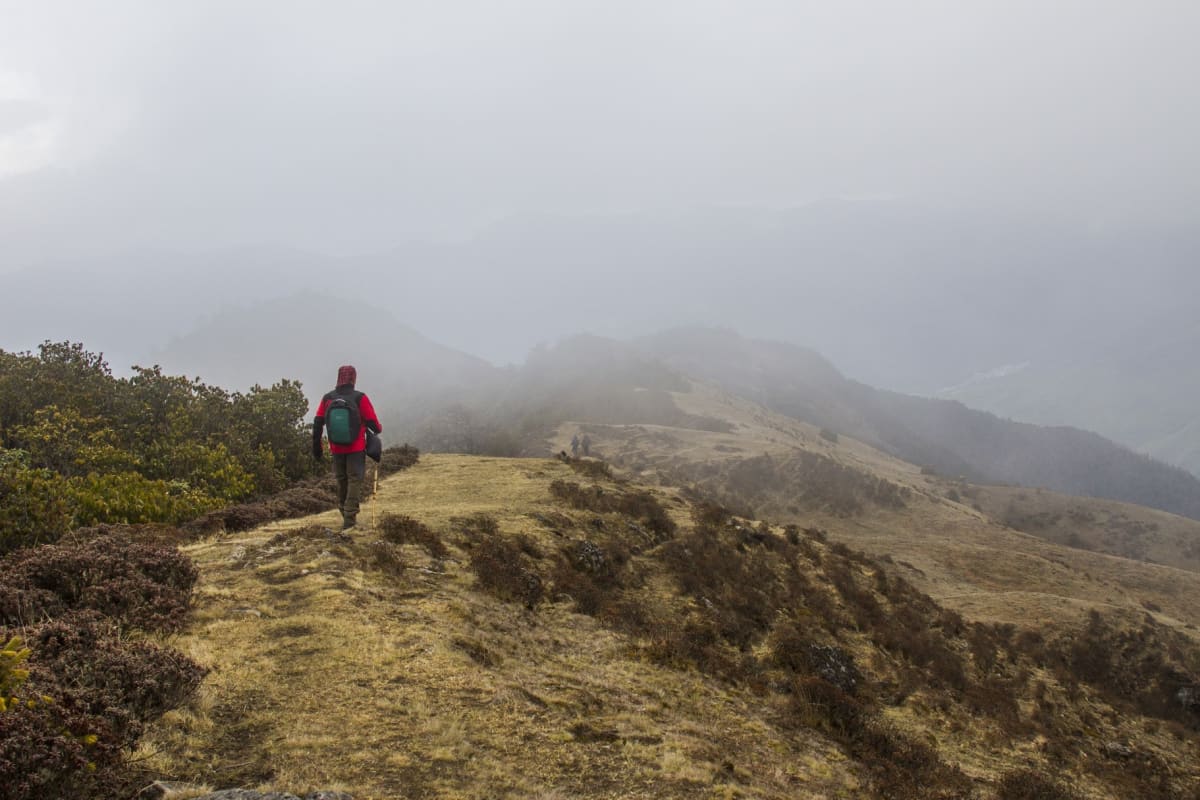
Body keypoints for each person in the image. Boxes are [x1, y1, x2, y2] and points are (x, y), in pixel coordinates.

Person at [312, 365, 382, 531]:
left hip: (336, 448)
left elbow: (317, 422)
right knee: (354, 480)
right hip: (355, 448)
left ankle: (344, 513)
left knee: (341, 480)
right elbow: (375, 425)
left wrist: (317, 447)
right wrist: (377, 429)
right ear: (353, 378)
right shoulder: (360, 398)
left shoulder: (328, 398)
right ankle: (350, 520)